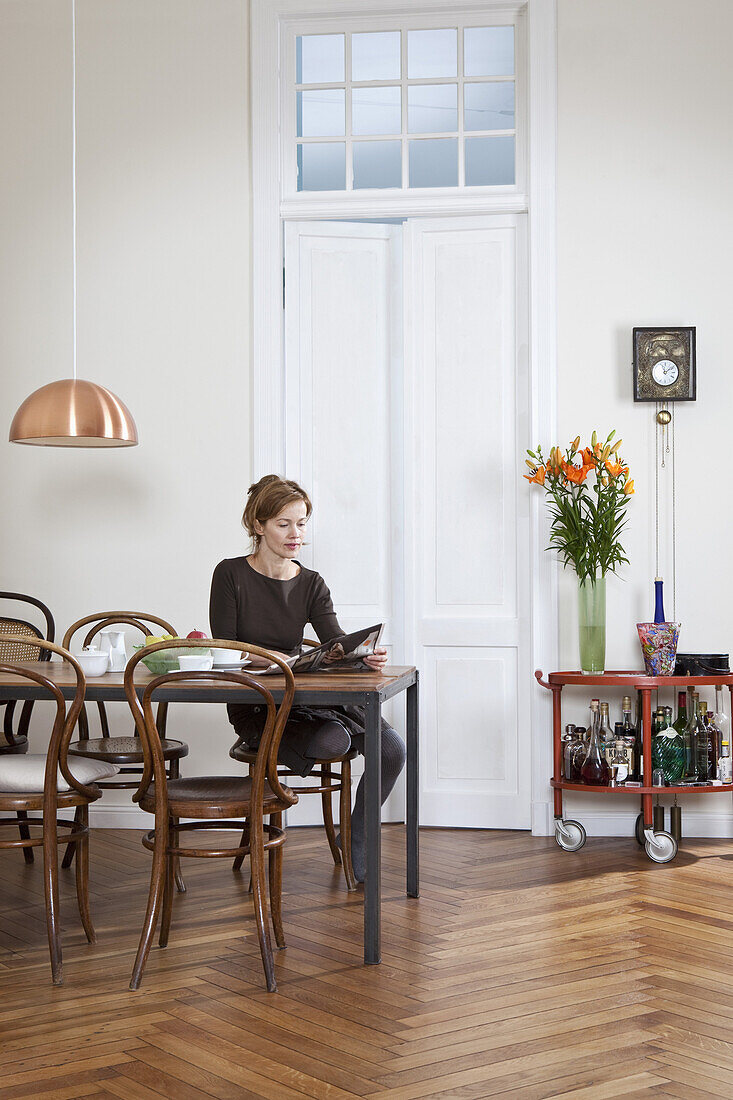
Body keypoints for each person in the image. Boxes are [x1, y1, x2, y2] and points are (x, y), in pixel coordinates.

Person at [209, 474, 406, 883]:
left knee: (391, 749)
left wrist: (363, 655)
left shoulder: (311, 582)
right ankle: (330, 729)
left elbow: (335, 640)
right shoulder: (230, 575)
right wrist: (268, 657)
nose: (295, 534)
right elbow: (224, 646)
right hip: (258, 705)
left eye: (301, 523)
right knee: (334, 740)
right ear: (258, 525)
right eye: (284, 524)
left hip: (309, 697)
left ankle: (359, 834)